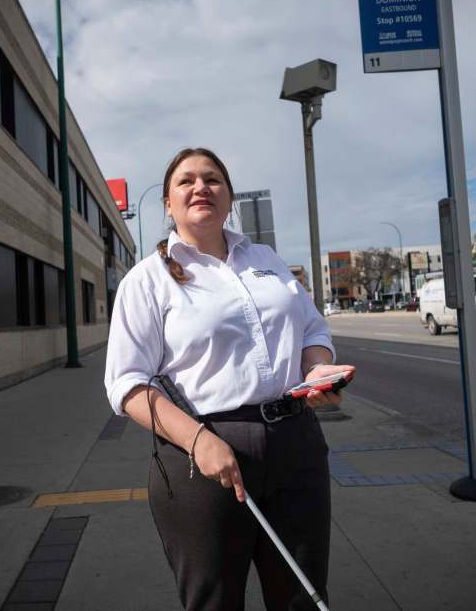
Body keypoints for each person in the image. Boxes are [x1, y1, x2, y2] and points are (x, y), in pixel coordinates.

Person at [104, 147, 354, 610]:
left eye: (213, 179)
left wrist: (316, 368)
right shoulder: (147, 280)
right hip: (204, 456)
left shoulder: (266, 260)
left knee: (302, 595)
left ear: (230, 197)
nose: (201, 187)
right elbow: (128, 384)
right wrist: (198, 441)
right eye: (187, 181)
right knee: (214, 601)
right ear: (168, 203)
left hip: (294, 442)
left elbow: (313, 327)